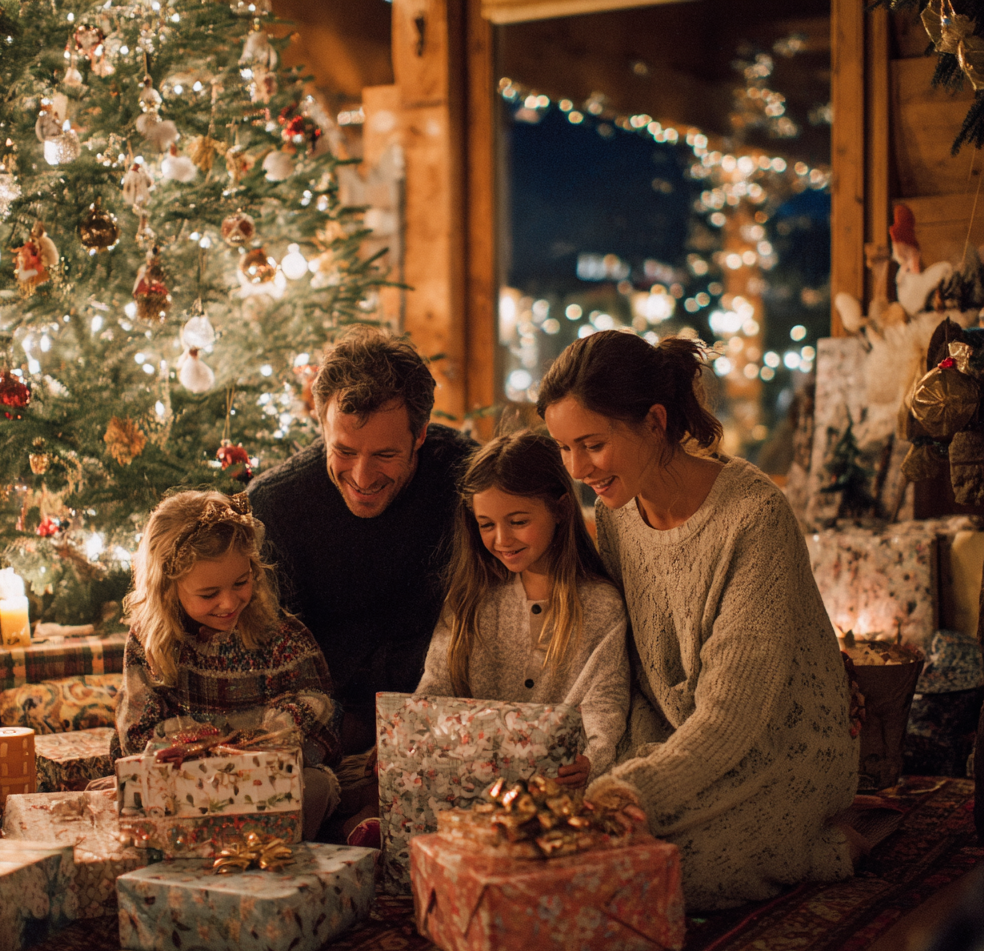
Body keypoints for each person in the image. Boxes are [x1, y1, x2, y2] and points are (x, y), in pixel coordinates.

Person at [538, 329, 859, 911]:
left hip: (777, 746)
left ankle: (823, 842)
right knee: (569, 839)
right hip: (674, 736)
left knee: (664, 870)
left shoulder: (753, 516)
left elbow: (733, 717)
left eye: (591, 444)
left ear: (655, 421)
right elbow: (631, 668)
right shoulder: (615, 514)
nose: (578, 468)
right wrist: (615, 761)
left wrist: (631, 789)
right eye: (563, 448)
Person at [247, 325, 477, 756]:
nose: (362, 477)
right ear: (322, 428)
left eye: (385, 455)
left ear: (421, 435)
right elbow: (272, 663)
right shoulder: (275, 506)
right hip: (327, 728)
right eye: (345, 452)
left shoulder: (467, 477)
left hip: (452, 715)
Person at [114, 489, 341, 840]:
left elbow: (319, 707)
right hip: (187, 781)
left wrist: (262, 743)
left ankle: (270, 862)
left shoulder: (280, 635)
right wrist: (203, 748)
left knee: (314, 788)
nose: (229, 602)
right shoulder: (149, 643)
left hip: (266, 781)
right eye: (208, 594)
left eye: (241, 582)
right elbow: (137, 733)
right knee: (120, 793)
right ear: (167, 588)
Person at [416, 430, 630, 786]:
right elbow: (437, 683)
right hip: (470, 786)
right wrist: (409, 732)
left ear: (560, 509)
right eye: (486, 525)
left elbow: (605, 700)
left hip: (558, 790)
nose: (502, 540)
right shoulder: (470, 597)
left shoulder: (600, 604)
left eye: (518, 522)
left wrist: (593, 758)